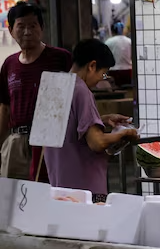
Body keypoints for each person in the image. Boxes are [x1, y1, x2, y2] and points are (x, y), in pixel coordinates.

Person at [43, 39, 138, 201]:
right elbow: (97, 142)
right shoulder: (82, 91)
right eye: (103, 73)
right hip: (85, 191)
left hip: (58, 186)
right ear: (92, 66)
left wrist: (101, 119)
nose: (102, 79)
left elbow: (67, 128)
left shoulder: (52, 87)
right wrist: (125, 133)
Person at [0, 2, 73, 181]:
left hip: (50, 142)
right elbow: (5, 108)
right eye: (21, 26)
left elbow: (76, 98)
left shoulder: (60, 58)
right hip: (16, 141)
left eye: (33, 26)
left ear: (42, 28)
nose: (27, 32)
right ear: (11, 30)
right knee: (14, 194)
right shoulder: (9, 64)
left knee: (49, 191)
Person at [105, 20, 132, 87]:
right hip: (128, 71)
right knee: (127, 89)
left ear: (112, 31)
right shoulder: (129, 41)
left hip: (113, 72)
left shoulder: (109, 42)